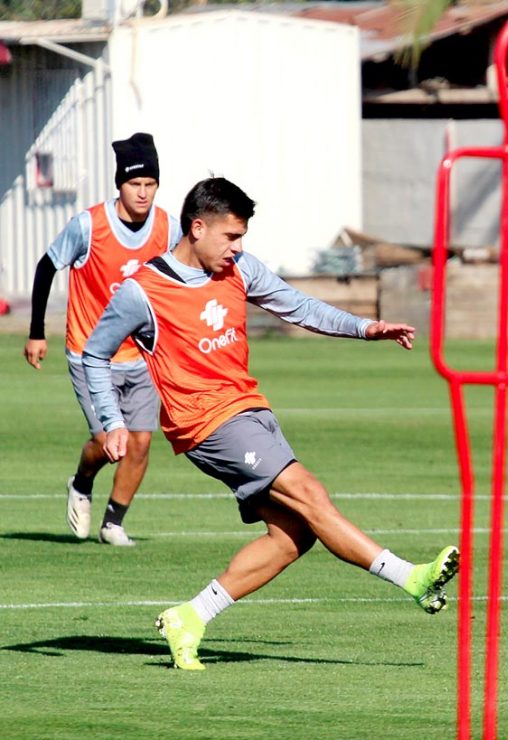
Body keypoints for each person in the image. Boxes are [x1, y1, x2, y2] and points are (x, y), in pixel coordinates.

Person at [81, 177, 459, 670]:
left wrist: (365, 328)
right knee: (310, 493)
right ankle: (411, 577)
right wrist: (111, 422)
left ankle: (189, 617)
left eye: (242, 238)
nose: (238, 248)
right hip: (206, 423)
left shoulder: (239, 269)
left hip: (250, 411)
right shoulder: (143, 291)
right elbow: (94, 354)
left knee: (293, 535)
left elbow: (298, 305)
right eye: (230, 236)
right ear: (197, 228)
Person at [23, 133, 182, 544]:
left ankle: (114, 523)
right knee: (108, 441)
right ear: (119, 185)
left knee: (142, 442)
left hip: (142, 356)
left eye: (150, 184)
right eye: (135, 184)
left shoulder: (168, 227)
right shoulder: (89, 225)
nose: (143, 193)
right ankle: (81, 482)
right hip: (90, 354)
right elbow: (46, 267)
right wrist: (37, 332)